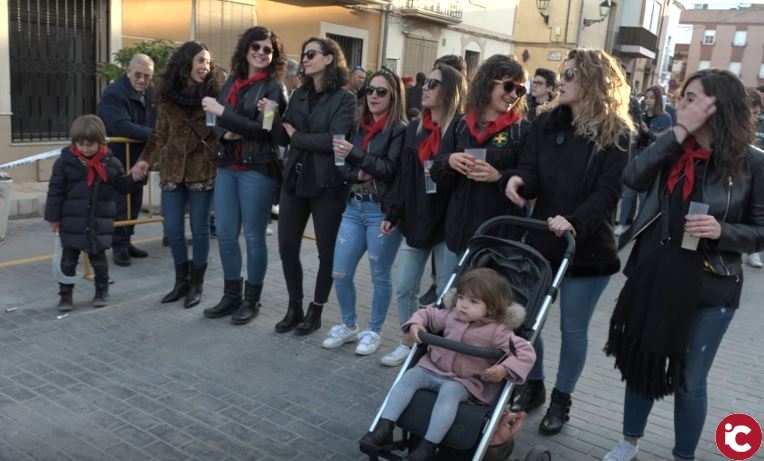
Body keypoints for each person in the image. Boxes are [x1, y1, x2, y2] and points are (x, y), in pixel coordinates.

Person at [602, 68, 764, 461]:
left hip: (713, 285)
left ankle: (684, 455)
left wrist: (722, 231)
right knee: (643, 359)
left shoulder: (753, 163)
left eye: (693, 99)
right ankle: (629, 441)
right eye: (683, 97)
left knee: (690, 380)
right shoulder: (672, 145)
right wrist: (677, 132)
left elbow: (761, 230)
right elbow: (632, 178)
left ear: (718, 106)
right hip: (658, 272)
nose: (683, 105)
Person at [504, 49, 633, 436]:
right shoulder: (546, 123)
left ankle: (562, 399)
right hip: (543, 241)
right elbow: (531, 169)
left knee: (572, 329)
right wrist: (519, 181)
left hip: (587, 248)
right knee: (527, 321)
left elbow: (608, 192)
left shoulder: (616, 132)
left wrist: (574, 222)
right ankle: (535, 384)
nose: (562, 81)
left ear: (594, 81)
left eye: (571, 74)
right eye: (563, 73)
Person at [359, 268, 536, 461]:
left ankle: (428, 445)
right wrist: (416, 324)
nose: (463, 305)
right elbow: (427, 314)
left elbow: (525, 352)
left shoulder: (498, 331)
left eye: (473, 302)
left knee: (449, 393)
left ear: (491, 308)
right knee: (409, 377)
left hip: (465, 382)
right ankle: (384, 428)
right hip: (432, 368)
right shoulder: (451, 315)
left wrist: (504, 368)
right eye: (461, 297)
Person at [379, 63, 467, 367]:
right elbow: (405, 176)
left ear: (450, 91)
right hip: (416, 219)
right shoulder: (415, 129)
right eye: (425, 82)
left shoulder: (460, 129)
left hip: (447, 223)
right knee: (405, 287)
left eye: (433, 84)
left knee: (446, 294)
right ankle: (409, 342)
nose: (424, 88)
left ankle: (439, 349)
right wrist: (393, 213)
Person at [199, 26, 288, 325]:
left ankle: (252, 300)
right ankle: (231, 296)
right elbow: (213, 119)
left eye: (268, 49)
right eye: (256, 47)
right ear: (246, 48)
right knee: (225, 234)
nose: (261, 53)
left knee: (253, 236)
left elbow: (264, 129)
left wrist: (225, 115)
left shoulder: (274, 88)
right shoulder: (232, 81)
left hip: (257, 168)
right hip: (227, 165)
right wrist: (225, 132)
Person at [273, 37, 357, 336]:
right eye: (304, 54)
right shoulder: (299, 94)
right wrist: (270, 115)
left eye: (311, 54)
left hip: (327, 183)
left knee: (326, 252)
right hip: (294, 179)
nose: (305, 59)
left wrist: (297, 137)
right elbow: (282, 135)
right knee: (286, 248)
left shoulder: (345, 99)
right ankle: (294, 305)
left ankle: (316, 309)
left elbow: (335, 140)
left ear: (329, 59)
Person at [130, 41, 223, 309]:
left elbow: (222, 131)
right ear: (186, 64)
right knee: (172, 228)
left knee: (200, 229)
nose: (205, 66)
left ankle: (197, 284)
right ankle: (181, 281)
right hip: (172, 169)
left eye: (208, 62)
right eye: (200, 61)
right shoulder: (168, 96)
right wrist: (144, 161)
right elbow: (159, 134)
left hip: (202, 169)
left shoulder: (215, 94)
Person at [321, 70, 407, 355]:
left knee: (379, 275)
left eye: (381, 91)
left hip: (380, 211)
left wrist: (356, 156)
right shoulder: (356, 125)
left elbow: (390, 169)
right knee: (340, 272)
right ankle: (349, 325)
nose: (373, 96)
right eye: (370, 90)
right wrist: (356, 172)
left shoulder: (399, 129)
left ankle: (374, 331)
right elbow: (340, 163)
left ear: (394, 96)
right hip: (353, 207)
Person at [431, 54, 530, 261]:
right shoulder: (460, 124)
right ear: (488, 83)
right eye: (508, 87)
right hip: (456, 235)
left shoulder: (523, 131)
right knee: (448, 284)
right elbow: (435, 171)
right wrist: (449, 161)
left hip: (496, 241)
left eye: (520, 90)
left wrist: (498, 177)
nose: (513, 95)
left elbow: (530, 182)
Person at [45, 115, 143, 310]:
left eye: (89, 144)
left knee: (99, 260)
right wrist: (53, 218)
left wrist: (135, 178)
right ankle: (65, 295)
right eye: (80, 144)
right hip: (72, 222)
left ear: (100, 141)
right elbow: (55, 192)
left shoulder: (111, 163)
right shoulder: (65, 163)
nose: (84, 149)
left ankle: (102, 291)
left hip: (99, 221)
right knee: (68, 261)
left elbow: (122, 186)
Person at [97, 53, 156, 267]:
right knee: (120, 204)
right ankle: (119, 246)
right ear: (128, 71)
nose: (142, 80)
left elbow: (157, 119)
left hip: (140, 156)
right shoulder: (114, 92)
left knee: (135, 202)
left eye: (147, 76)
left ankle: (127, 240)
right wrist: (155, 135)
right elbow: (120, 125)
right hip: (118, 158)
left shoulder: (151, 92)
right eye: (138, 74)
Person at [614, 85, 673, 236]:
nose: (648, 100)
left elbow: (666, 139)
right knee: (629, 192)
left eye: (652, 97)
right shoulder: (641, 115)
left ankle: (641, 226)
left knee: (644, 195)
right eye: (646, 97)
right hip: (636, 154)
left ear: (658, 99)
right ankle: (623, 223)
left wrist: (649, 131)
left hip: (651, 158)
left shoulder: (665, 117)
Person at [744, 89, 764, 268]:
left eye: (758, 113)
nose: (756, 117)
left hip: (758, 170)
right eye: (754, 112)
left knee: (755, 211)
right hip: (744, 172)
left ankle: (753, 251)